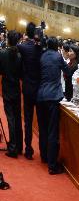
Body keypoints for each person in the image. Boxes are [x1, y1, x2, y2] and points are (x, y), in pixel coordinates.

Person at [36, 36, 66, 175]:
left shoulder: (42, 56)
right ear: (57, 46)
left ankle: (44, 157)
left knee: (42, 128)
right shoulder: (58, 56)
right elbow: (67, 70)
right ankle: (52, 165)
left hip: (40, 95)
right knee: (52, 131)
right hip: (53, 97)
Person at [18, 22, 42, 160]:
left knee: (27, 120)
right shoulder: (41, 49)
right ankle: (43, 151)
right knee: (40, 121)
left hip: (27, 87)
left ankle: (28, 149)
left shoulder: (22, 47)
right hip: (40, 88)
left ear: (26, 33)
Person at [0, 31, 24, 158]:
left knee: (10, 118)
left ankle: (13, 147)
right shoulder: (20, 55)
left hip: (7, 88)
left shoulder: (3, 53)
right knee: (17, 118)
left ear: (8, 40)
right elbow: (21, 74)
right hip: (16, 88)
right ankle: (19, 146)